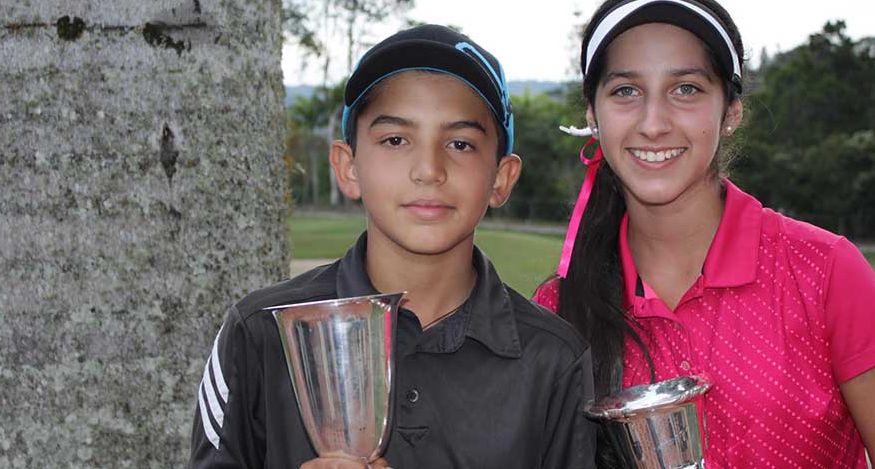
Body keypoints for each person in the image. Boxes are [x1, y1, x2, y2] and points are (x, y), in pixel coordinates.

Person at [533, 0, 875, 469]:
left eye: (686, 89)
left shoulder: (825, 272)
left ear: (731, 112)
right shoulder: (559, 309)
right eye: (625, 90)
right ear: (593, 116)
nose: (654, 122)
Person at [189, 24, 597, 469]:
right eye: (395, 140)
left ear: (501, 179)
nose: (428, 169)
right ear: (347, 167)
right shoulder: (260, 335)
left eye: (460, 143)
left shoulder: (554, 360)